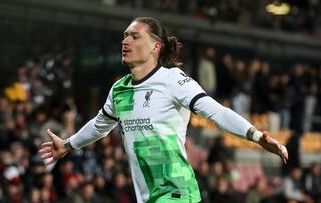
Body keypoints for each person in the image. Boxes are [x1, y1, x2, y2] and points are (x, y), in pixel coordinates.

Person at [39, 17, 289, 203]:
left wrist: (256, 136)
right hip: (148, 196)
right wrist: (68, 145)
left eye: (135, 36)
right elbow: (99, 125)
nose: (125, 41)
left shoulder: (172, 80)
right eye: (125, 35)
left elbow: (216, 112)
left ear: (155, 47)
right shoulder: (119, 89)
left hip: (177, 191)